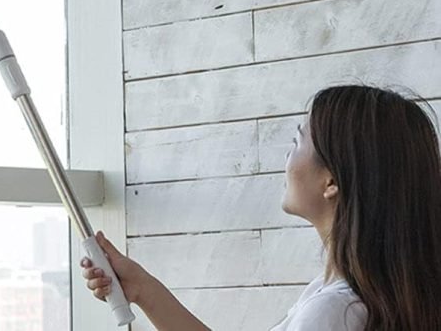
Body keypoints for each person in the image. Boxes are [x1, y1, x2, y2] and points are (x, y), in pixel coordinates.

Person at [81, 84, 441, 330]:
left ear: (331, 182)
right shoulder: (344, 295)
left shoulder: (334, 312)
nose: (286, 158)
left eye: (297, 142)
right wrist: (143, 288)